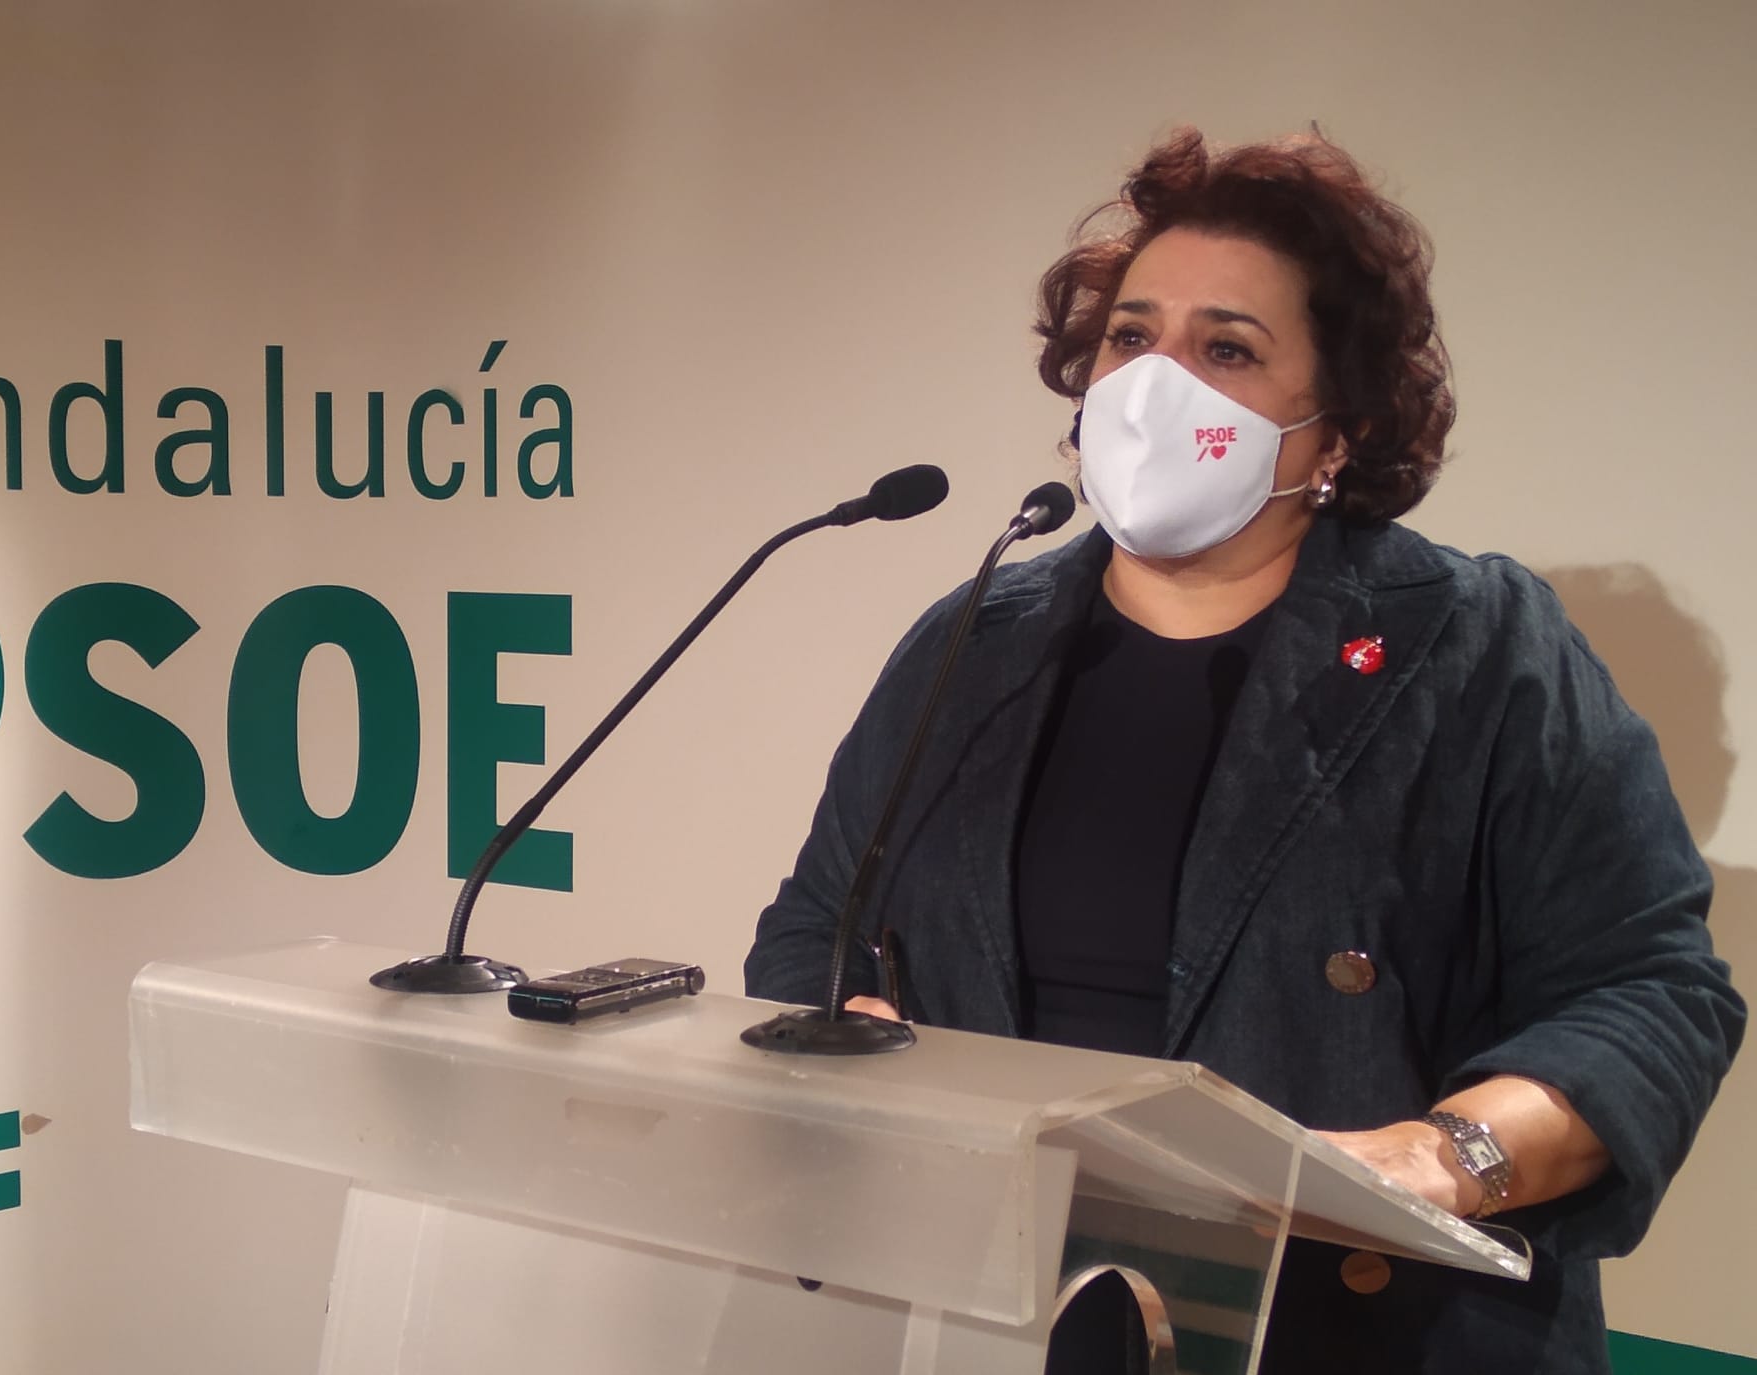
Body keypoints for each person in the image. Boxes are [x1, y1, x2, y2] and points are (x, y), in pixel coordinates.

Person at [743, 127, 1745, 1374]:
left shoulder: (1480, 644)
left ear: (1336, 432)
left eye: (1226, 349)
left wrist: (1446, 1155)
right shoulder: (974, 641)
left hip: (1363, 1330)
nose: (1155, 385)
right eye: (1130, 338)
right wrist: (849, 1025)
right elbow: (815, 922)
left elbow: (1649, 992)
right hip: (1011, 1321)